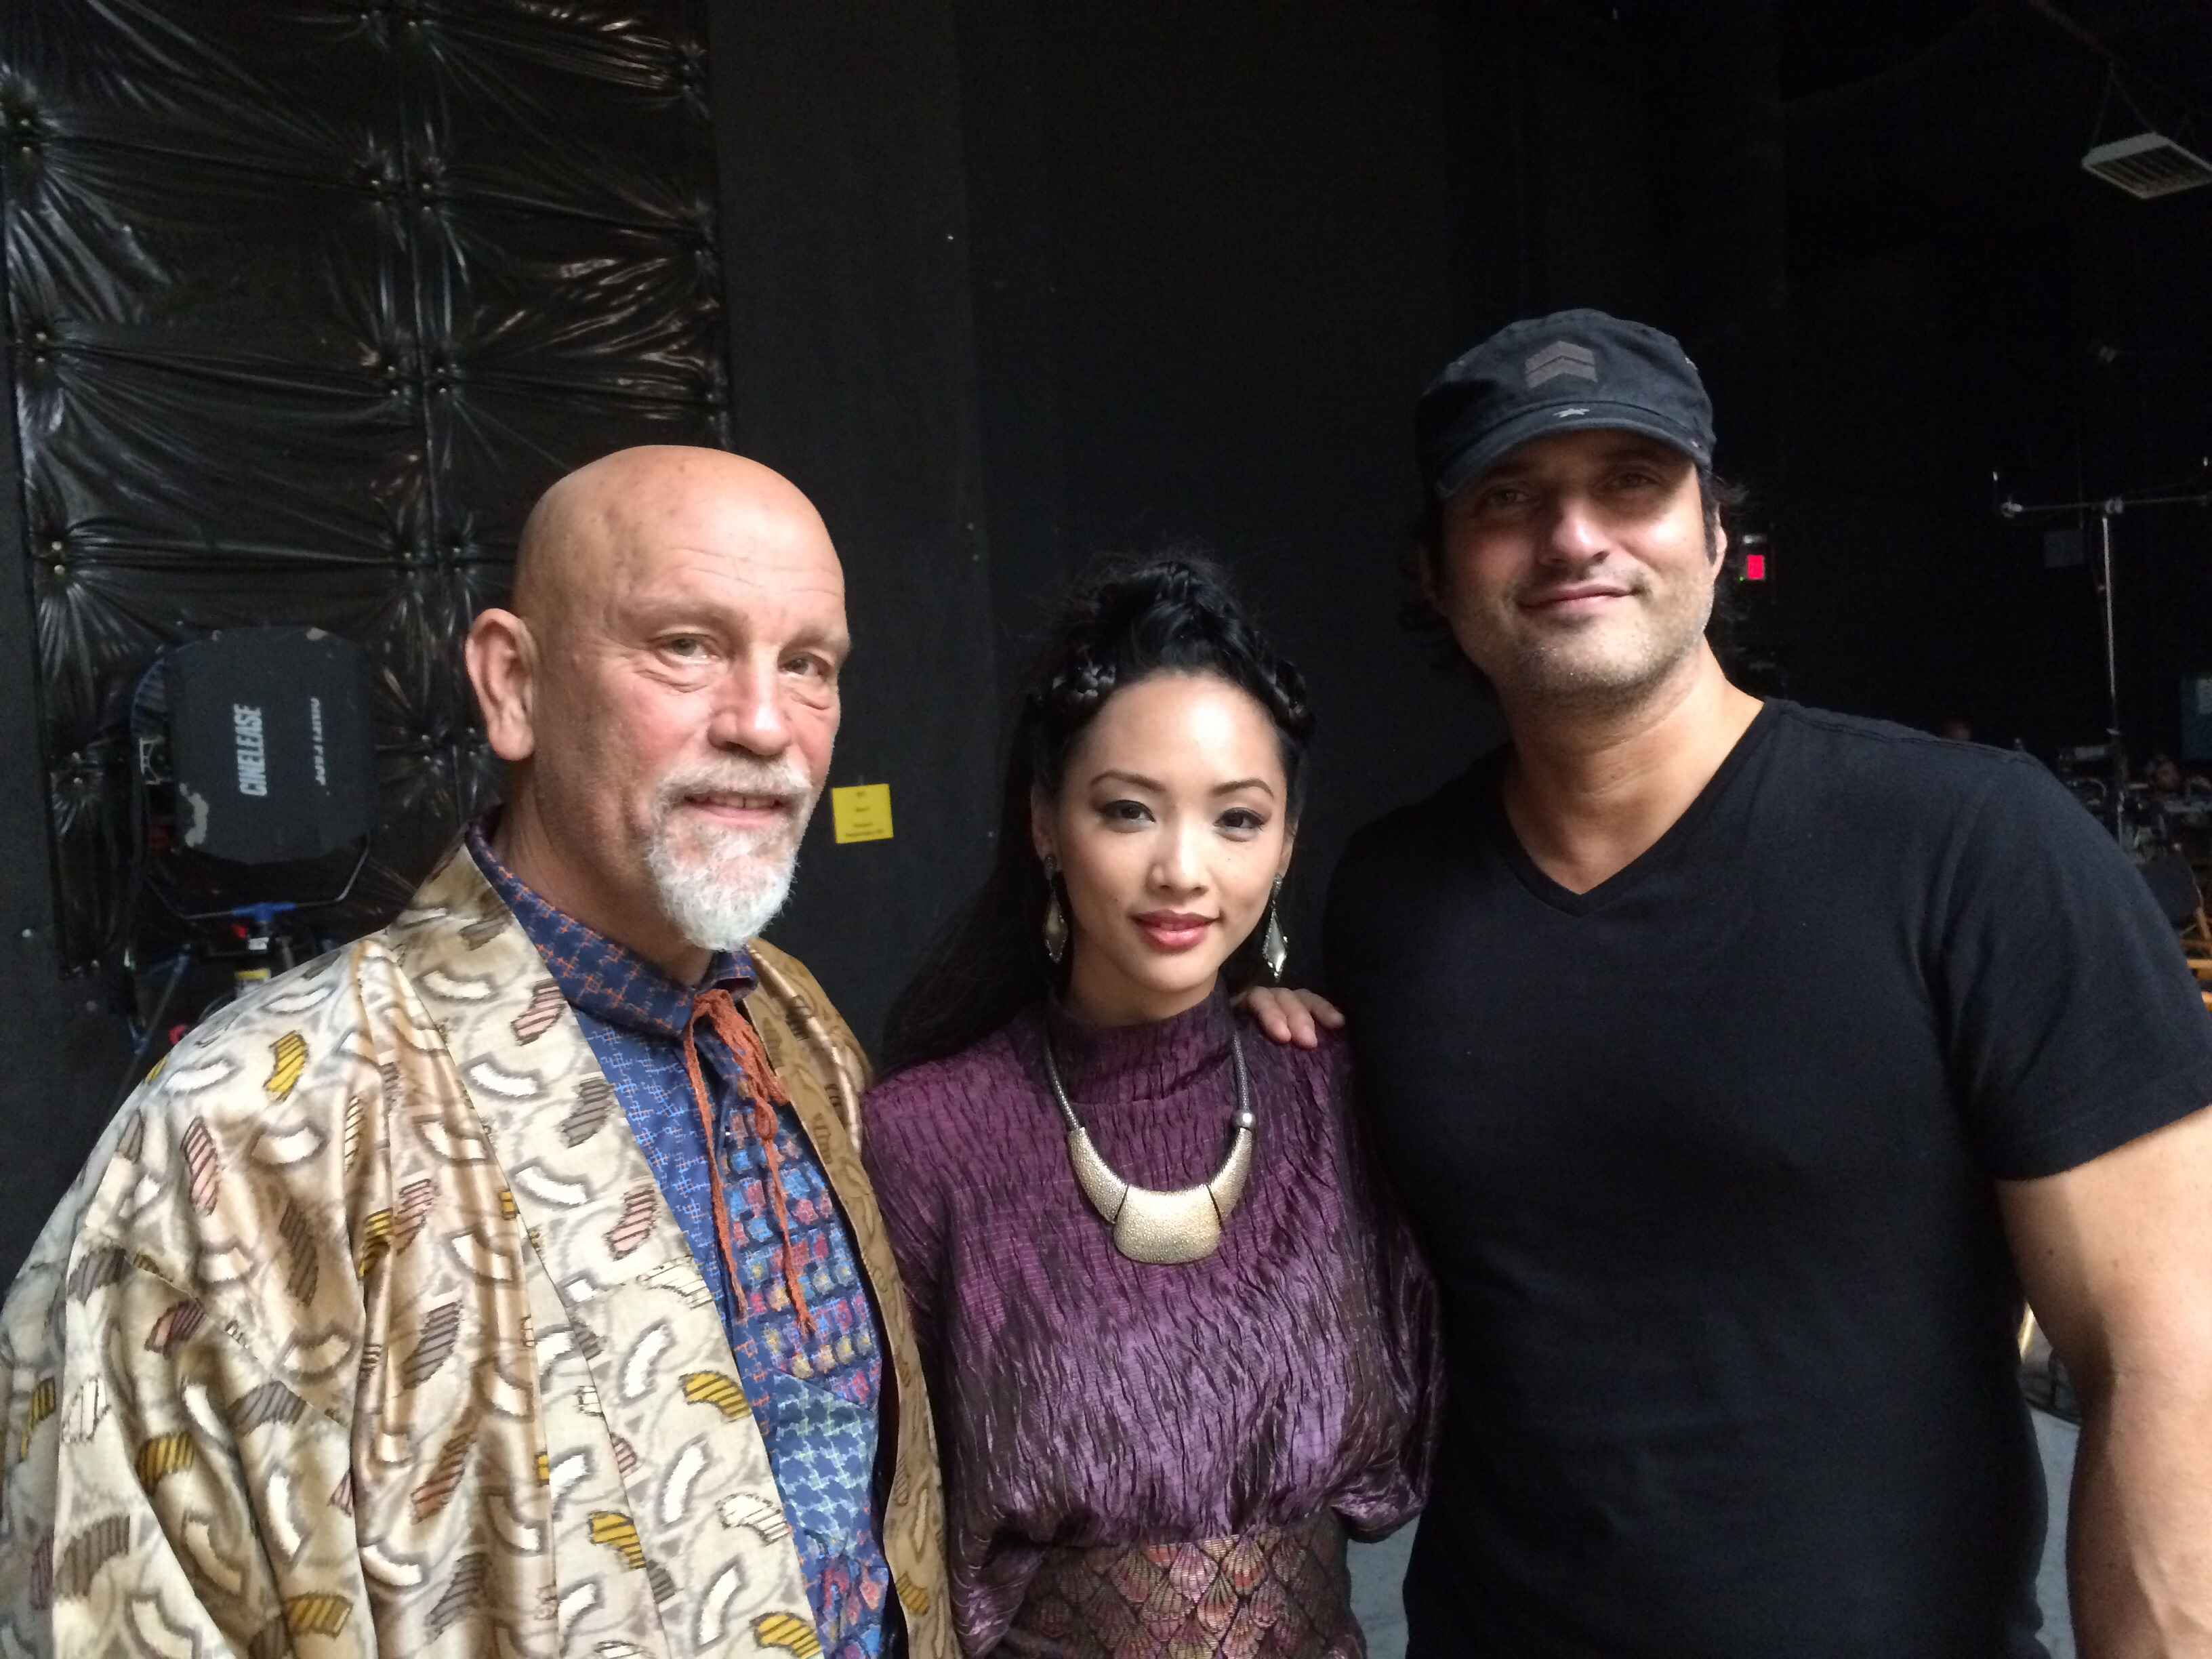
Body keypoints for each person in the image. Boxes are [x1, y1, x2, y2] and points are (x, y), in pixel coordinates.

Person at [1323, 310, 2212, 1656]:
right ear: (1437, 575)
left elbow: (2168, 1354)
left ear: (1713, 529)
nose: (1575, 536)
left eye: (1632, 480)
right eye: (1510, 497)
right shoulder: (1389, 898)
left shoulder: (1974, 844)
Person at [0, 447, 953, 1658]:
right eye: (687, 645)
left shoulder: (795, 1027)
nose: (764, 724)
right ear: (513, 685)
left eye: (808, 666)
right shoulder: (247, 1130)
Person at [861, 558, 1439, 1656]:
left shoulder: (1338, 1092)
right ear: (1045, 823)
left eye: (1237, 819)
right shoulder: (926, 1140)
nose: (1183, 868)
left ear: (1287, 845)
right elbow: (878, 1520)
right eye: (1128, 811)